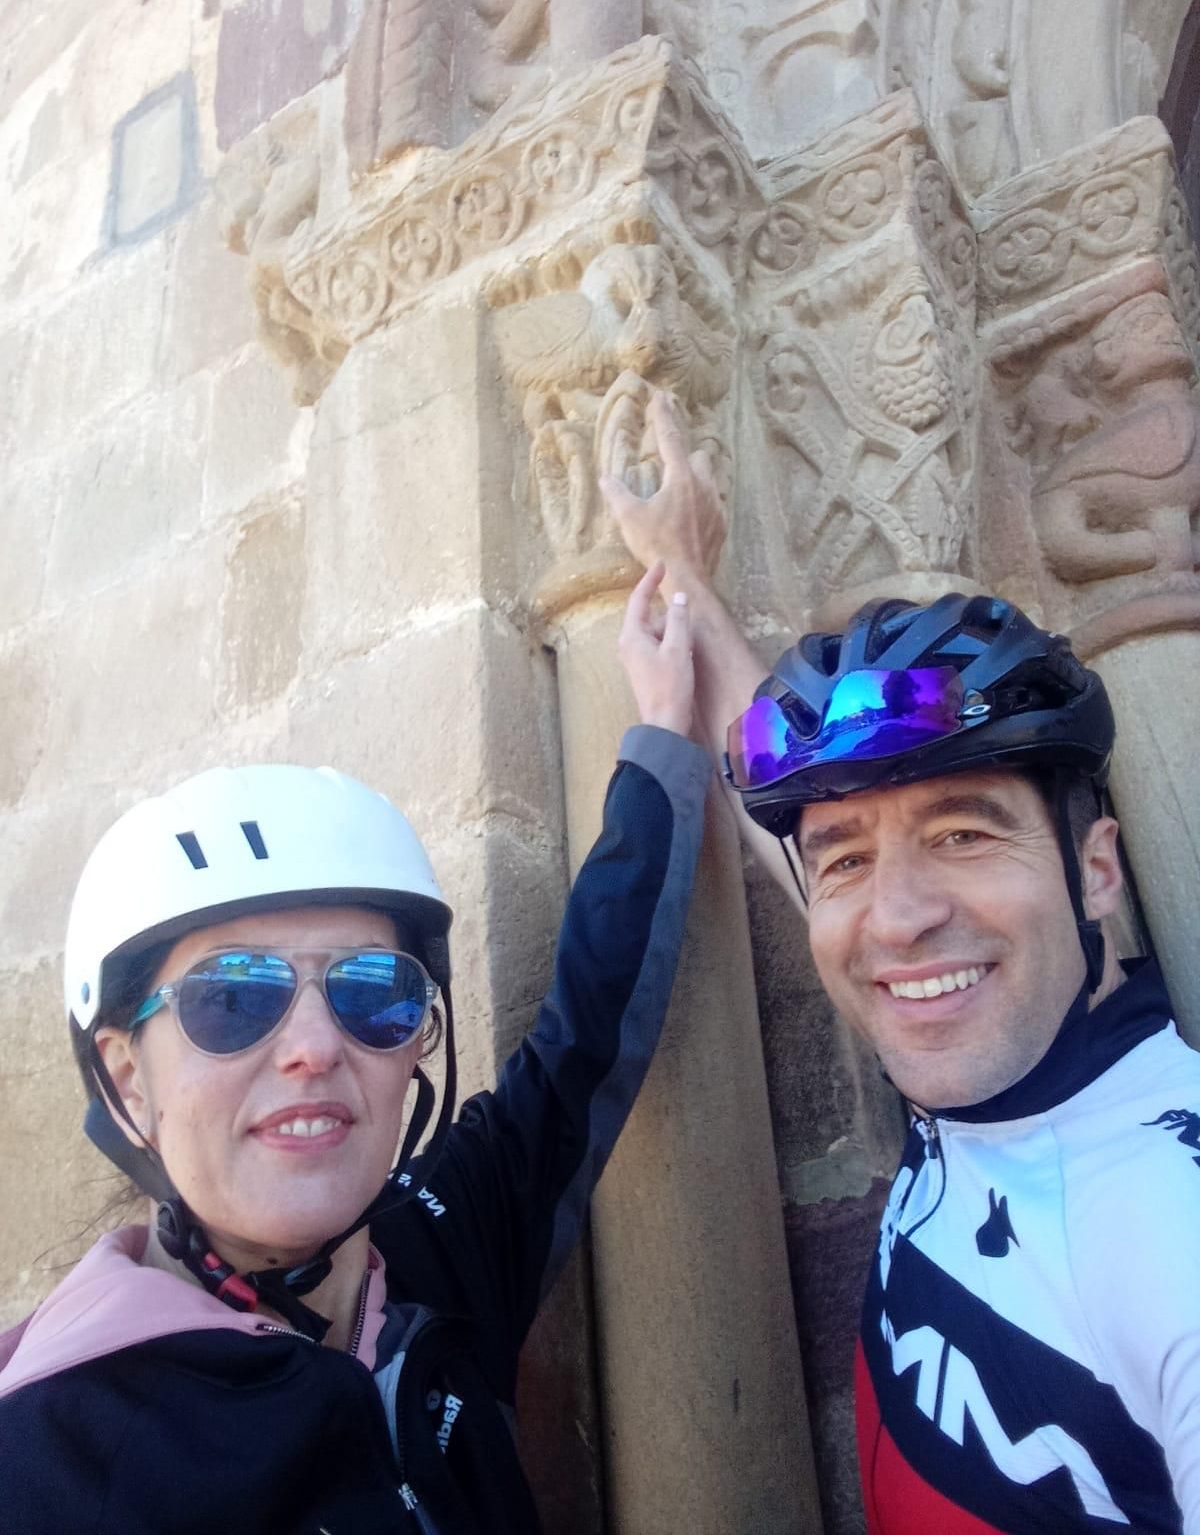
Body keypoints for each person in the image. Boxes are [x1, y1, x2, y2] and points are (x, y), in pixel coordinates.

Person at [0, 564, 711, 1535]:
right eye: (232, 997)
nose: (311, 1047)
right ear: (127, 1077)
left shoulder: (431, 1247)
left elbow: (583, 1032)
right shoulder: (51, 1454)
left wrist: (663, 731)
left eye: (370, 993)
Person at [603, 394, 1200, 1533]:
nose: (898, 921)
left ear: (1098, 870)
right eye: (846, 863)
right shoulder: (999, 1043)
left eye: (964, 835)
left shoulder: (1168, 1218)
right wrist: (679, 568)